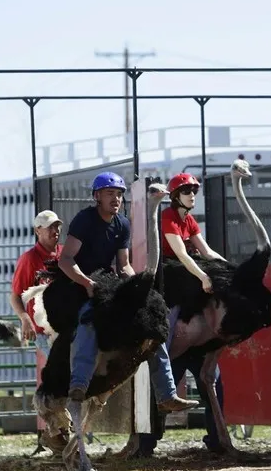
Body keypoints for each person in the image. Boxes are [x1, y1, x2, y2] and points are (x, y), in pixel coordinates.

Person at [59, 171, 198, 413]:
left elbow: (123, 264)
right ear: (97, 197)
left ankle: (166, 394)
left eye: (119, 195)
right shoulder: (85, 220)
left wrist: (138, 288)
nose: (116, 199)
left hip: (107, 281)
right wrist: (86, 283)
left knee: (152, 325)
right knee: (88, 319)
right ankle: (79, 384)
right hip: (80, 283)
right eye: (110, 194)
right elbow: (66, 259)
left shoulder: (122, 224)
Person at [137, 172, 230, 457]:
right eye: (187, 191)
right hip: (172, 286)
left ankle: (216, 439)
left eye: (194, 191)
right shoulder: (167, 218)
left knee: (213, 380)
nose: (192, 195)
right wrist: (204, 276)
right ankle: (146, 444)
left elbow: (206, 250)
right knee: (163, 345)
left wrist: (233, 270)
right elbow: (182, 255)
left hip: (189, 288)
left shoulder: (189, 220)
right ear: (175, 195)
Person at [10, 209, 63, 358]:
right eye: (50, 226)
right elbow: (15, 296)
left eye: (57, 226)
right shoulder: (29, 259)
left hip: (67, 327)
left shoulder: (66, 253)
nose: (55, 230)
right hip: (45, 332)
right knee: (66, 369)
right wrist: (25, 319)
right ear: (37, 230)